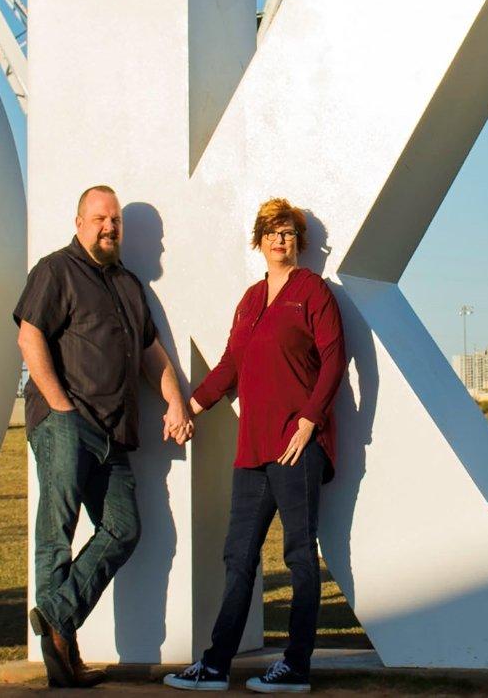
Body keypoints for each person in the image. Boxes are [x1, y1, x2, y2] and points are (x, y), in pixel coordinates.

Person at [16, 184, 194, 688]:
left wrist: (175, 400)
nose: (109, 227)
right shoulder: (56, 271)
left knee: (123, 528)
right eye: (99, 219)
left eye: (115, 220)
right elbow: (29, 336)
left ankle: (55, 615)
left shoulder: (130, 285)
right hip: (66, 424)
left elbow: (150, 353)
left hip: (115, 435)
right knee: (57, 536)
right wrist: (61, 408)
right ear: (79, 223)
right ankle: (63, 662)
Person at [166, 199, 345, 695]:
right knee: (238, 557)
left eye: (288, 232)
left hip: (295, 447)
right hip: (252, 452)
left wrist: (310, 422)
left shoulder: (313, 293)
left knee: (299, 556)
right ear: (259, 240)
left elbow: (334, 359)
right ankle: (216, 665)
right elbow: (230, 366)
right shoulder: (249, 300)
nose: (279, 239)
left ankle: (295, 667)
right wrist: (189, 410)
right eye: (271, 231)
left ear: (299, 242)